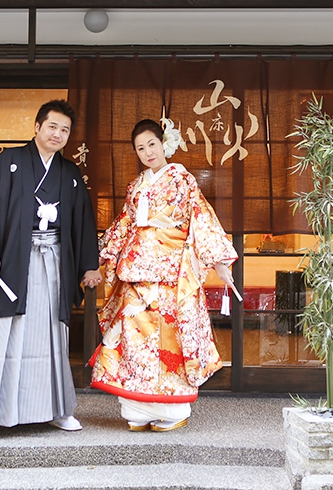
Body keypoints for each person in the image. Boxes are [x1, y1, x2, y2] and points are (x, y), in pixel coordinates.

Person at [0, 99, 101, 446]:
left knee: (52, 338)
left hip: (53, 264)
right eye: (52, 126)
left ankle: (58, 410)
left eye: (65, 130)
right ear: (37, 127)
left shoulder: (68, 175)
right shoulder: (8, 163)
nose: (58, 134)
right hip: (13, 263)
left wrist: (89, 265)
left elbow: (82, 221)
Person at [89, 118, 239, 432]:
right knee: (134, 341)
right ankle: (137, 408)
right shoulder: (135, 186)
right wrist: (101, 258)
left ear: (164, 143)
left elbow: (201, 218)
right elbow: (123, 226)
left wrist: (220, 260)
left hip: (170, 274)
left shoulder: (181, 179)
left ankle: (173, 408)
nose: (147, 152)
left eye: (152, 145)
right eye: (140, 148)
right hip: (135, 273)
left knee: (168, 342)